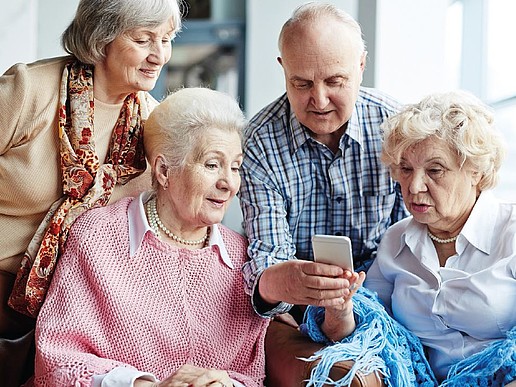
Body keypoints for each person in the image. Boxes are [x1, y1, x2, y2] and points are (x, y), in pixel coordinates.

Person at [33, 87, 269, 387]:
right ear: (163, 170)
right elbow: (58, 359)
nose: (229, 183)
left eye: (235, 167)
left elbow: (252, 374)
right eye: (212, 165)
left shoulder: (242, 256)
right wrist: (142, 385)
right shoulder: (97, 237)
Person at [0, 0, 183, 384]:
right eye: (143, 39)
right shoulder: (29, 90)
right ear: (102, 38)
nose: (158, 56)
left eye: (165, 40)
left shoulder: (153, 126)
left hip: (69, 313)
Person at [304, 90, 516, 386]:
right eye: (405, 169)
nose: (414, 186)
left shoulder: (511, 232)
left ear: (475, 172)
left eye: (434, 170)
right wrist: (340, 308)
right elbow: (367, 330)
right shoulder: (396, 240)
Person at [239, 2, 407, 322]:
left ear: (360, 66)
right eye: (301, 83)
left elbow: (414, 242)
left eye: (334, 81)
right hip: (300, 311)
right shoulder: (258, 143)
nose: (319, 100)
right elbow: (268, 264)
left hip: (393, 301)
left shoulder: (396, 127)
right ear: (283, 69)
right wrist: (278, 284)